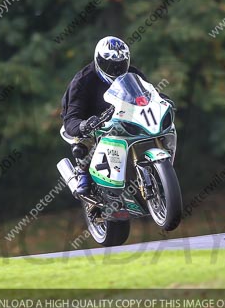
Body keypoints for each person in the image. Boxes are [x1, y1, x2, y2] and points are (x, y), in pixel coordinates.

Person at [60, 36, 167, 196]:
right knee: (83, 141)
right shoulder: (82, 80)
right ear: (98, 61)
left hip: (124, 115)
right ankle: (83, 173)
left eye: (120, 65)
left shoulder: (133, 73)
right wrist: (84, 125)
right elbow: (71, 120)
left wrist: (161, 99)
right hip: (92, 119)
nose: (116, 71)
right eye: (110, 65)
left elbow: (149, 94)